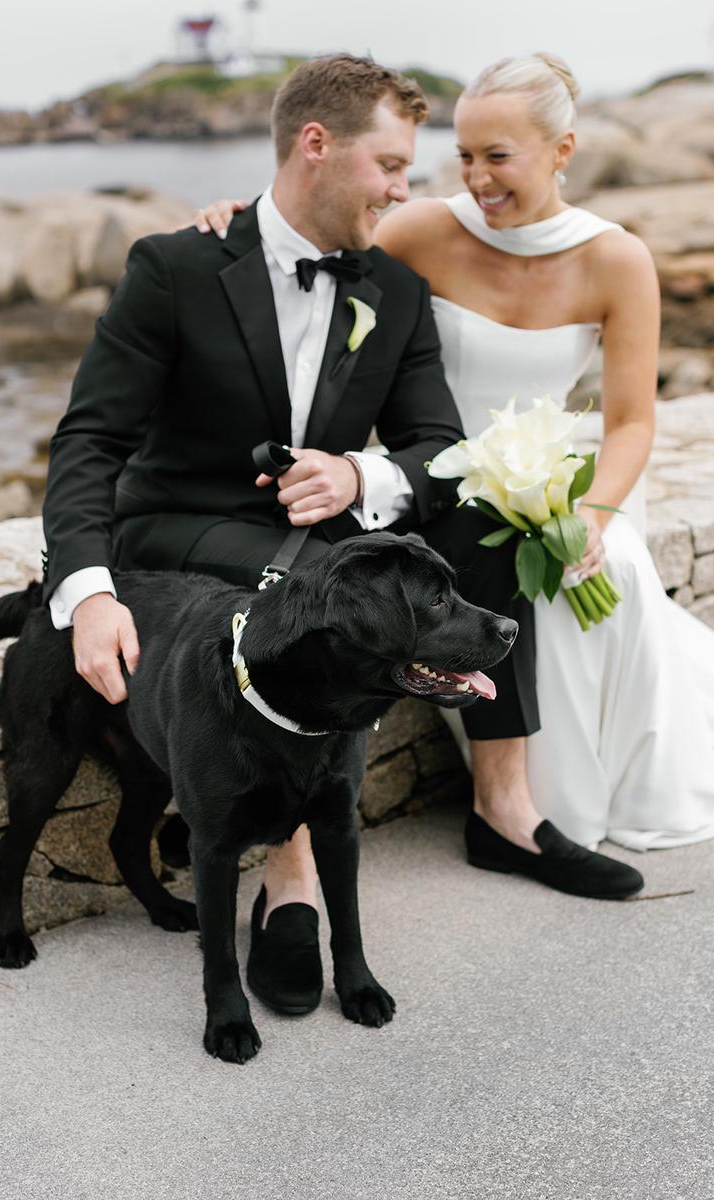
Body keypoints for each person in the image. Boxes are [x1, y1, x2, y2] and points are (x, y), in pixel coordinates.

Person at [43, 54, 641, 1019]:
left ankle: (504, 808)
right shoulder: (176, 266)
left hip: (317, 534)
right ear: (315, 145)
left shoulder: (393, 290)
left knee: (487, 526)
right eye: (393, 166)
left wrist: (360, 474)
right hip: (185, 534)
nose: (408, 189)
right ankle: (293, 877)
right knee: (311, 588)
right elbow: (89, 442)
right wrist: (87, 592)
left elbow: (438, 445)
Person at [199, 50, 714, 853]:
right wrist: (242, 221)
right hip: (431, 487)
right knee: (480, 558)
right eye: (464, 155)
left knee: (604, 568)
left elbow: (631, 424)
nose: (476, 179)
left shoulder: (616, 259)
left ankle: (564, 794)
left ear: (563, 151)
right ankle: (520, 809)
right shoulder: (423, 230)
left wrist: (593, 514)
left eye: (497, 156)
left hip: (552, 484)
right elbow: (311, 250)